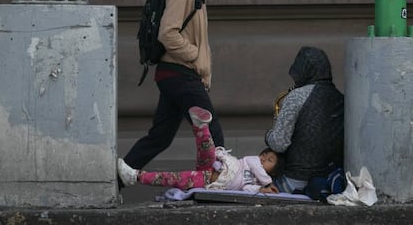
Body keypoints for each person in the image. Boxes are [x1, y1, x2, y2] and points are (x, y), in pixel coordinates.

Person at [121, 0, 225, 180]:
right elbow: (167, 32)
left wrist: (202, 69)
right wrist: (195, 56)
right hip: (180, 73)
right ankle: (218, 182)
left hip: (176, 74)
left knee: (160, 137)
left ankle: (116, 179)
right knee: (212, 131)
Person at [119, 106, 283, 194]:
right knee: (207, 150)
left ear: (274, 172)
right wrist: (267, 183)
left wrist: (261, 189)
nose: (263, 158)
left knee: (173, 178)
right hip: (216, 165)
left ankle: (134, 176)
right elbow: (254, 163)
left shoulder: (254, 181)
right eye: (265, 154)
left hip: (207, 181)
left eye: (269, 160)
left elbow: (245, 190)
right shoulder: (252, 162)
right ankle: (201, 126)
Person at [265, 46, 344, 194]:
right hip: (329, 180)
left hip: (295, 181)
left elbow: (279, 144)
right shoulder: (340, 98)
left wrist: (268, 135)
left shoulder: (296, 96)